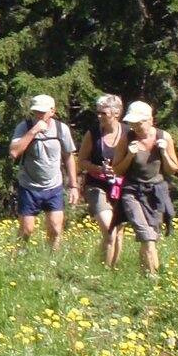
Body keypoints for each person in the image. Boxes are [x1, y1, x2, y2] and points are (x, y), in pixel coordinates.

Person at [113, 100, 178, 275]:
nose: (134, 127)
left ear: (150, 120)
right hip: (132, 192)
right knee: (147, 236)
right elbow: (117, 169)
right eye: (132, 123)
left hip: (156, 192)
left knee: (151, 237)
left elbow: (172, 169)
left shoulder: (164, 137)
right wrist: (129, 155)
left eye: (138, 123)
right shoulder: (126, 139)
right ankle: (153, 279)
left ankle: (146, 275)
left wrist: (163, 152)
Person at [9, 93, 78, 248]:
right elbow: (14, 152)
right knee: (27, 230)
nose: (39, 115)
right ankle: (19, 254)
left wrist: (73, 186)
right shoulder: (24, 127)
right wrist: (33, 131)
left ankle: (52, 259)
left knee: (55, 228)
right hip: (29, 186)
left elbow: (69, 157)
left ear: (52, 111)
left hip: (54, 186)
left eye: (42, 112)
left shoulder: (61, 129)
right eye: (36, 111)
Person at [77, 94, 127, 267]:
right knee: (109, 230)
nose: (99, 116)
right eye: (98, 113)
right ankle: (103, 269)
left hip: (121, 186)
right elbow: (81, 161)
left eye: (103, 113)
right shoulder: (93, 133)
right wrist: (100, 169)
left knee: (118, 232)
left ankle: (111, 269)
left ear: (116, 113)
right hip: (96, 185)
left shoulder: (128, 133)